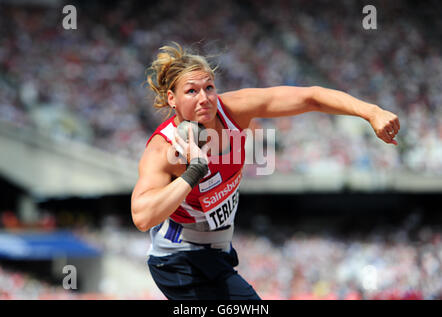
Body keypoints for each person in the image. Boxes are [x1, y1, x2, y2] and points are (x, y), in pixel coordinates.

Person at [131, 42, 400, 300]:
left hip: (217, 252)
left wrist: (371, 112)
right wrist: (193, 173)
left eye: (209, 87)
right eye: (191, 91)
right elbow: (142, 217)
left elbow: (310, 97)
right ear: (172, 99)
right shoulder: (163, 149)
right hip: (179, 260)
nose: (204, 98)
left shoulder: (234, 111)